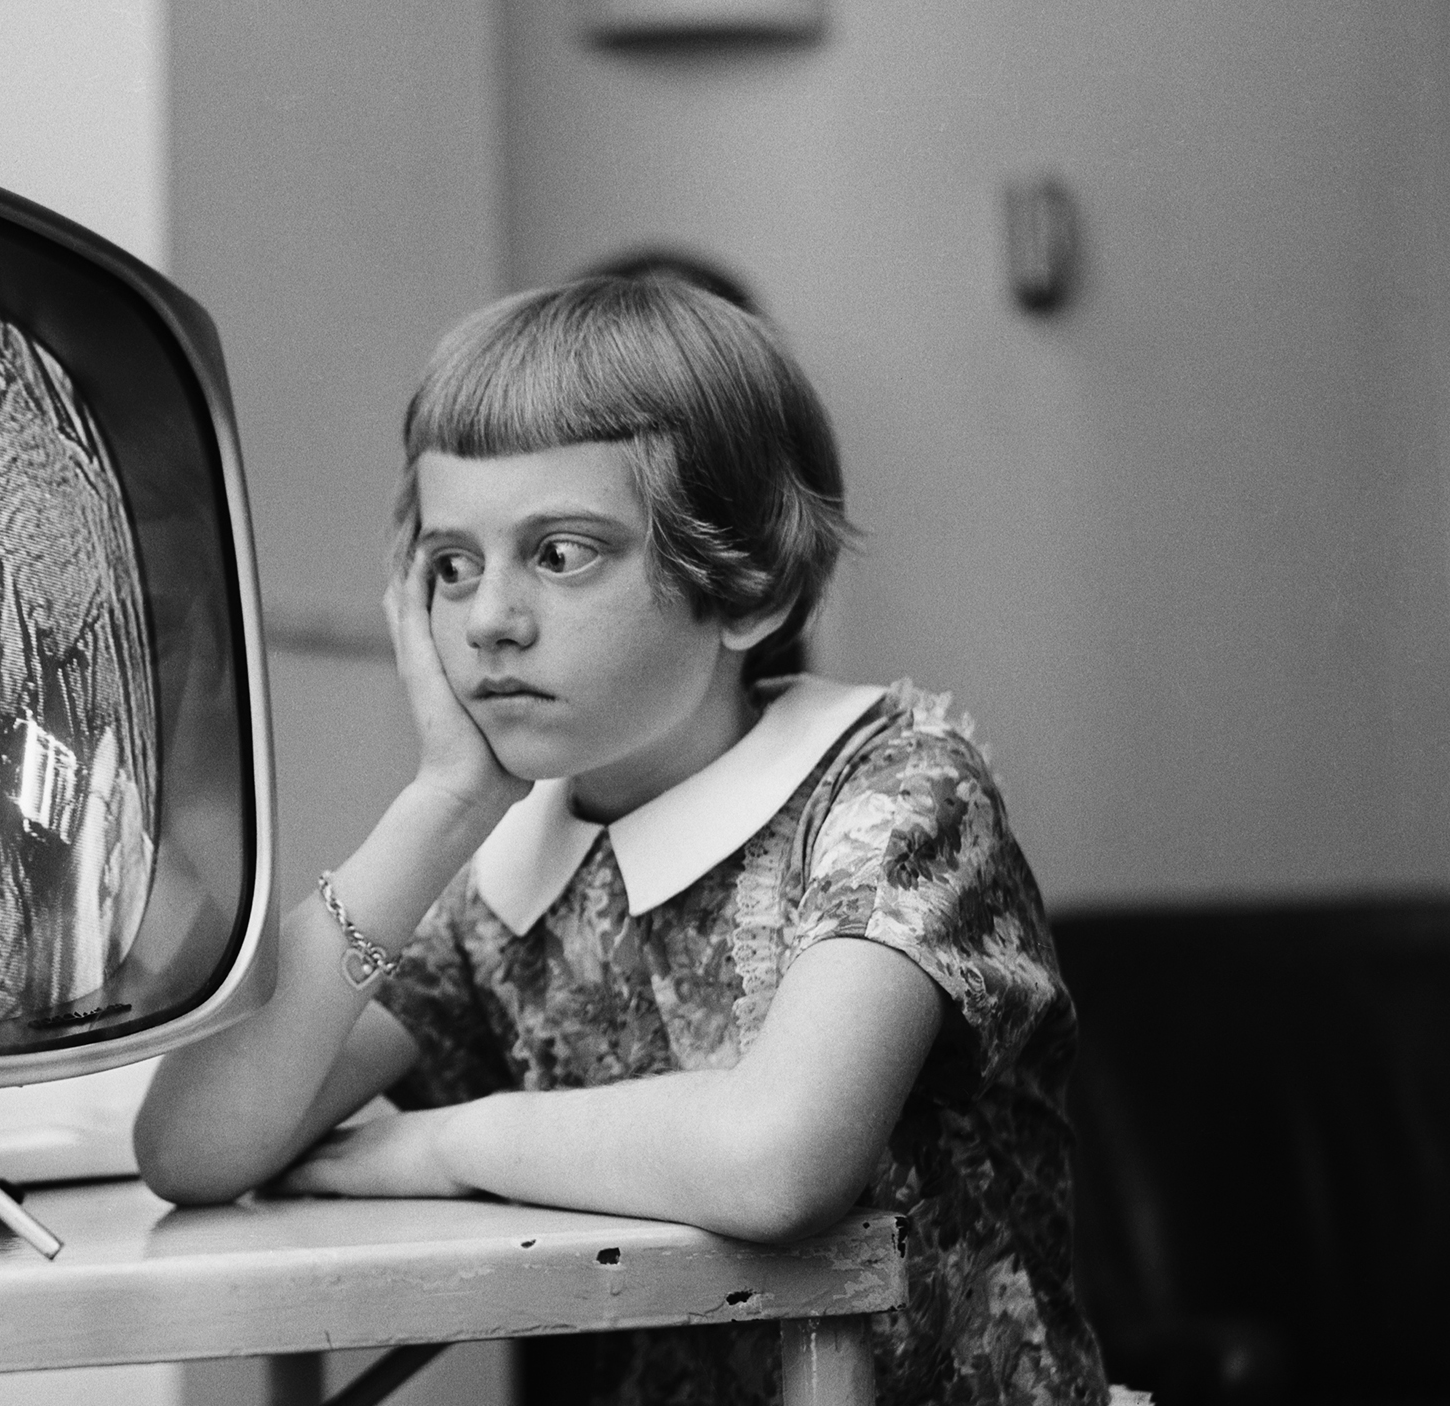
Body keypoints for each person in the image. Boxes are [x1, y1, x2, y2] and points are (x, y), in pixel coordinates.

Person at [134, 276, 1110, 1404]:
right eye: (451, 566)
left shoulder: (895, 789)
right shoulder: (506, 874)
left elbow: (777, 1158)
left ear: (745, 587)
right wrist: (441, 804)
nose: (489, 619)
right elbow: (193, 1144)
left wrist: (450, 1143)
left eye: (561, 553)